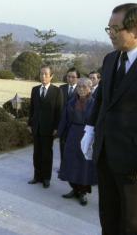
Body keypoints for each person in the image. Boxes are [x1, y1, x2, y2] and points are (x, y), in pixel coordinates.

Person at [81, 3, 137, 235]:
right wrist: (90, 129)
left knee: (134, 226)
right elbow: (102, 99)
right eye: (108, 28)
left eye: (115, 28)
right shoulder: (111, 59)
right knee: (109, 221)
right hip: (106, 157)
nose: (110, 34)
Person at [58, 78, 97, 206]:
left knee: (84, 165)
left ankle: (83, 193)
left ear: (90, 88)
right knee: (71, 162)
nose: (81, 89)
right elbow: (64, 118)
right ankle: (74, 189)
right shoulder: (71, 102)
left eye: (84, 87)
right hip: (72, 134)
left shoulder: (95, 103)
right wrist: (61, 134)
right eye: (79, 86)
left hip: (87, 135)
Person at [28, 65, 63, 188]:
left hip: (49, 129)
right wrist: (30, 124)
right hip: (36, 127)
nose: (43, 76)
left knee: (47, 154)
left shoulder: (57, 91)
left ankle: (46, 178)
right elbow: (32, 109)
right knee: (36, 153)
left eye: (46, 74)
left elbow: (59, 111)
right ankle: (37, 176)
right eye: (41, 74)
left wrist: (56, 127)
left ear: (51, 76)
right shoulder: (35, 89)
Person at [58, 68, 80, 161]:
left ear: (78, 78)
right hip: (63, 124)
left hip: (75, 125)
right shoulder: (61, 88)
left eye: (73, 77)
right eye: (68, 76)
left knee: (74, 148)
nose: (70, 79)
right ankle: (63, 168)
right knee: (62, 146)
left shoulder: (81, 89)